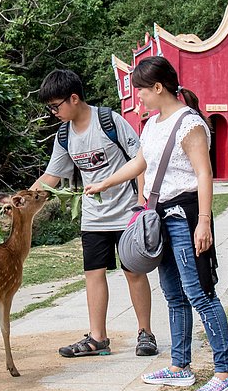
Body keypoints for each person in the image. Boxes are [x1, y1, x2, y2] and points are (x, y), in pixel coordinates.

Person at [84, 55, 228, 391]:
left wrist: (204, 222)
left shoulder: (190, 124)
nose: (137, 97)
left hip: (186, 216)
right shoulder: (153, 124)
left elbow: (204, 174)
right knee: (173, 295)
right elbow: (142, 162)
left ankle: (225, 371)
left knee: (200, 293)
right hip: (160, 217)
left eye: (140, 90)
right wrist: (105, 183)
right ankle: (180, 367)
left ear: (158, 87)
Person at [30, 69, 159, 358]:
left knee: (134, 273)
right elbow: (51, 176)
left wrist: (141, 203)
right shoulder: (64, 135)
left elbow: (141, 160)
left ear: (73, 98)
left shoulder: (109, 121)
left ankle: (145, 333)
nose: (53, 113)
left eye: (55, 106)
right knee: (93, 274)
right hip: (93, 217)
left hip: (127, 214)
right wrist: (23, 199)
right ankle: (98, 337)